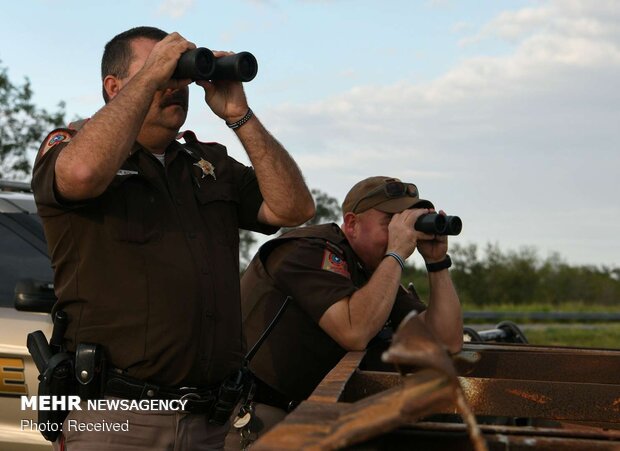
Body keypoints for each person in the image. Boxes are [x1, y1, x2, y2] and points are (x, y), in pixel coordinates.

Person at [31, 26, 314, 450]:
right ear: (114, 86)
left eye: (180, 73)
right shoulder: (72, 146)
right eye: (160, 69)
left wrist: (239, 114)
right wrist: (151, 78)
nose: (174, 85)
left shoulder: (207, 162)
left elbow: (294, 209)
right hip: (115, 419)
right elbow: (81, 175)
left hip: (211, 421)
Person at [237, 176, 462, 444]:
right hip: (256, 414)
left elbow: (446, 341)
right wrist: (397, 253)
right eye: (391, 223)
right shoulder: (305, 251)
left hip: (308, 413)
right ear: (353, 224)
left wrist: (437, 262)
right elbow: (353, 331)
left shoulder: (372, 274)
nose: (404, 233)